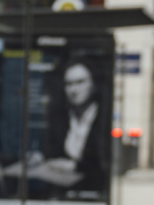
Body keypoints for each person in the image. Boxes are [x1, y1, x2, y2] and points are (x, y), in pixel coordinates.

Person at [41, 58, 109, 194]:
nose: (74, 90)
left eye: (80, 82)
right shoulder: (60, 116)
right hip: (63, 190)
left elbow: (104, 163)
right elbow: (53, 150)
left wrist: (74, 166)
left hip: (94, 191)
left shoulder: (104, 118)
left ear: (94, 84)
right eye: (69, 84)